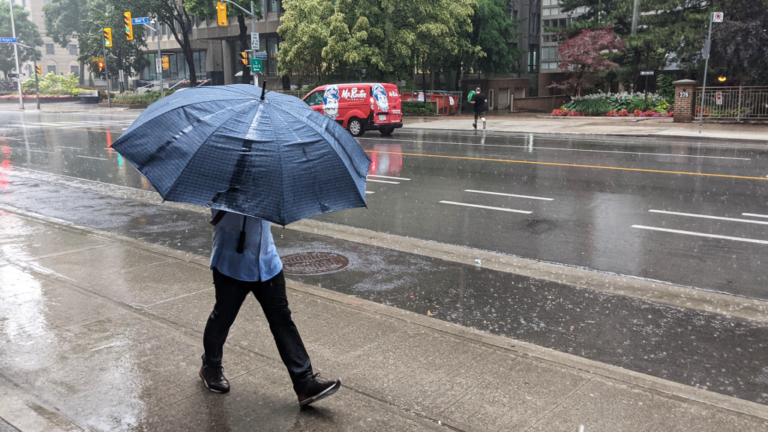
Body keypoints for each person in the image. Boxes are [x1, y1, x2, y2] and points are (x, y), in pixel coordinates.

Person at [199, 209, 341, 407]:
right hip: (232, 262)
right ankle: (210, 366)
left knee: (282, 319)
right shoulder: (224, 182)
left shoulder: (267, 185)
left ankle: (304, 383)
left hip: (267, 261)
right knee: (223, 316)